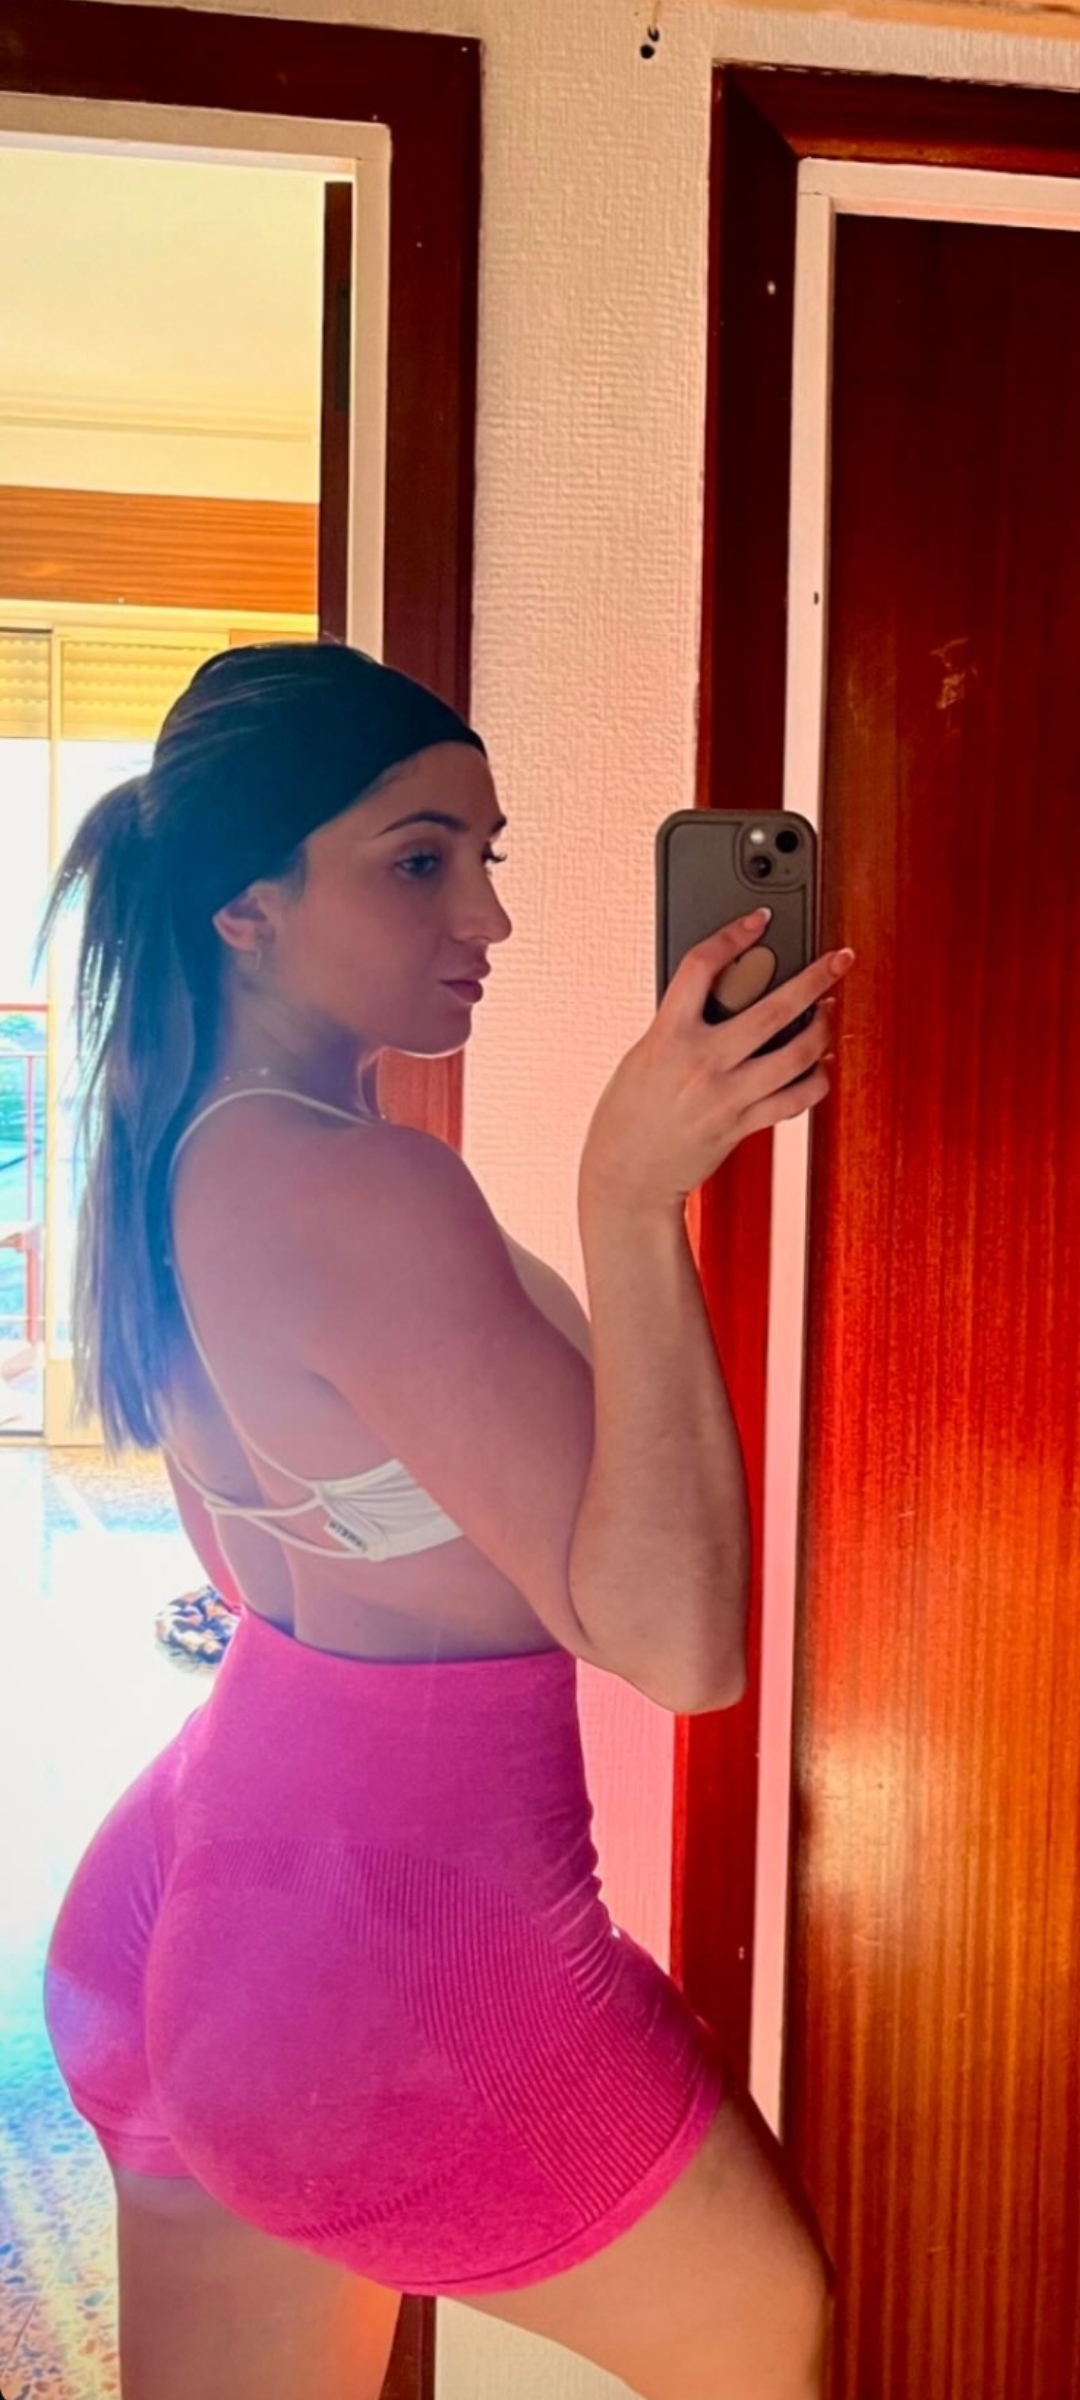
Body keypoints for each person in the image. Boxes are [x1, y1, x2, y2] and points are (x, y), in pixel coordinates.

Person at [39, 641, 853, 2400]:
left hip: (197, 1893)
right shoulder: (359, 1183)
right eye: (417, 860)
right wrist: (630, 1199)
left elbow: (251, 1555)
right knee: (767, 2340)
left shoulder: (171, 1137)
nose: (484, 914)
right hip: (391, 1956)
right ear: (247, 908)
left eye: (485, 855)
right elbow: (677, 1647)